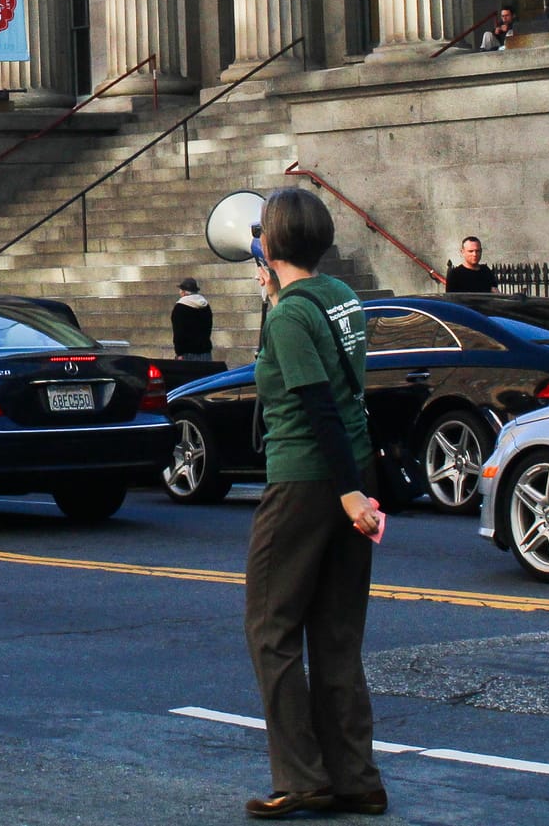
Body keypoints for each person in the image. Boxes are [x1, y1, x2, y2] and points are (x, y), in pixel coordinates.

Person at [243, 188, 387, 820]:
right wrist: (356, 485)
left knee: (272, 629)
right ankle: (356, 778)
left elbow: (314, 403)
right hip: (353, 466)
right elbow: (338, 382)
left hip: (306, 478)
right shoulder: (341, 299)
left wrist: (345, 491)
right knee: (336, 633)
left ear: (270, 245)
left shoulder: (289, 316)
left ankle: (301, 776)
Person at [171, 278, 214, 361]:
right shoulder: (205, 305)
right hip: (205, 352)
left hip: (187, 353)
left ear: (184, 292)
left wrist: (179, 353)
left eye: (180, 290)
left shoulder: (180, 307)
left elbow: (178, 332)